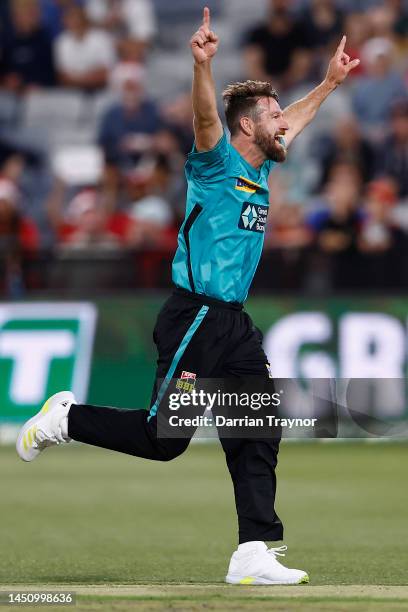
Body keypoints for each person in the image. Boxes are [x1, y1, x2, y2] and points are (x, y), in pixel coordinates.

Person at [16, 7, 359, 585]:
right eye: (273, 118)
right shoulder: (215, 163)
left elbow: (293, 122)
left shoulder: (262, 169)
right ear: (247, 127)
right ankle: (65, 419)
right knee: (163, 440)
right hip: (195, 316)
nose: (285, 126)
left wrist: (326, 84)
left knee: (258, 421)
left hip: (233, 323)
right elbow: (206, 119)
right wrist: (203, 67)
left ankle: (253, 550)